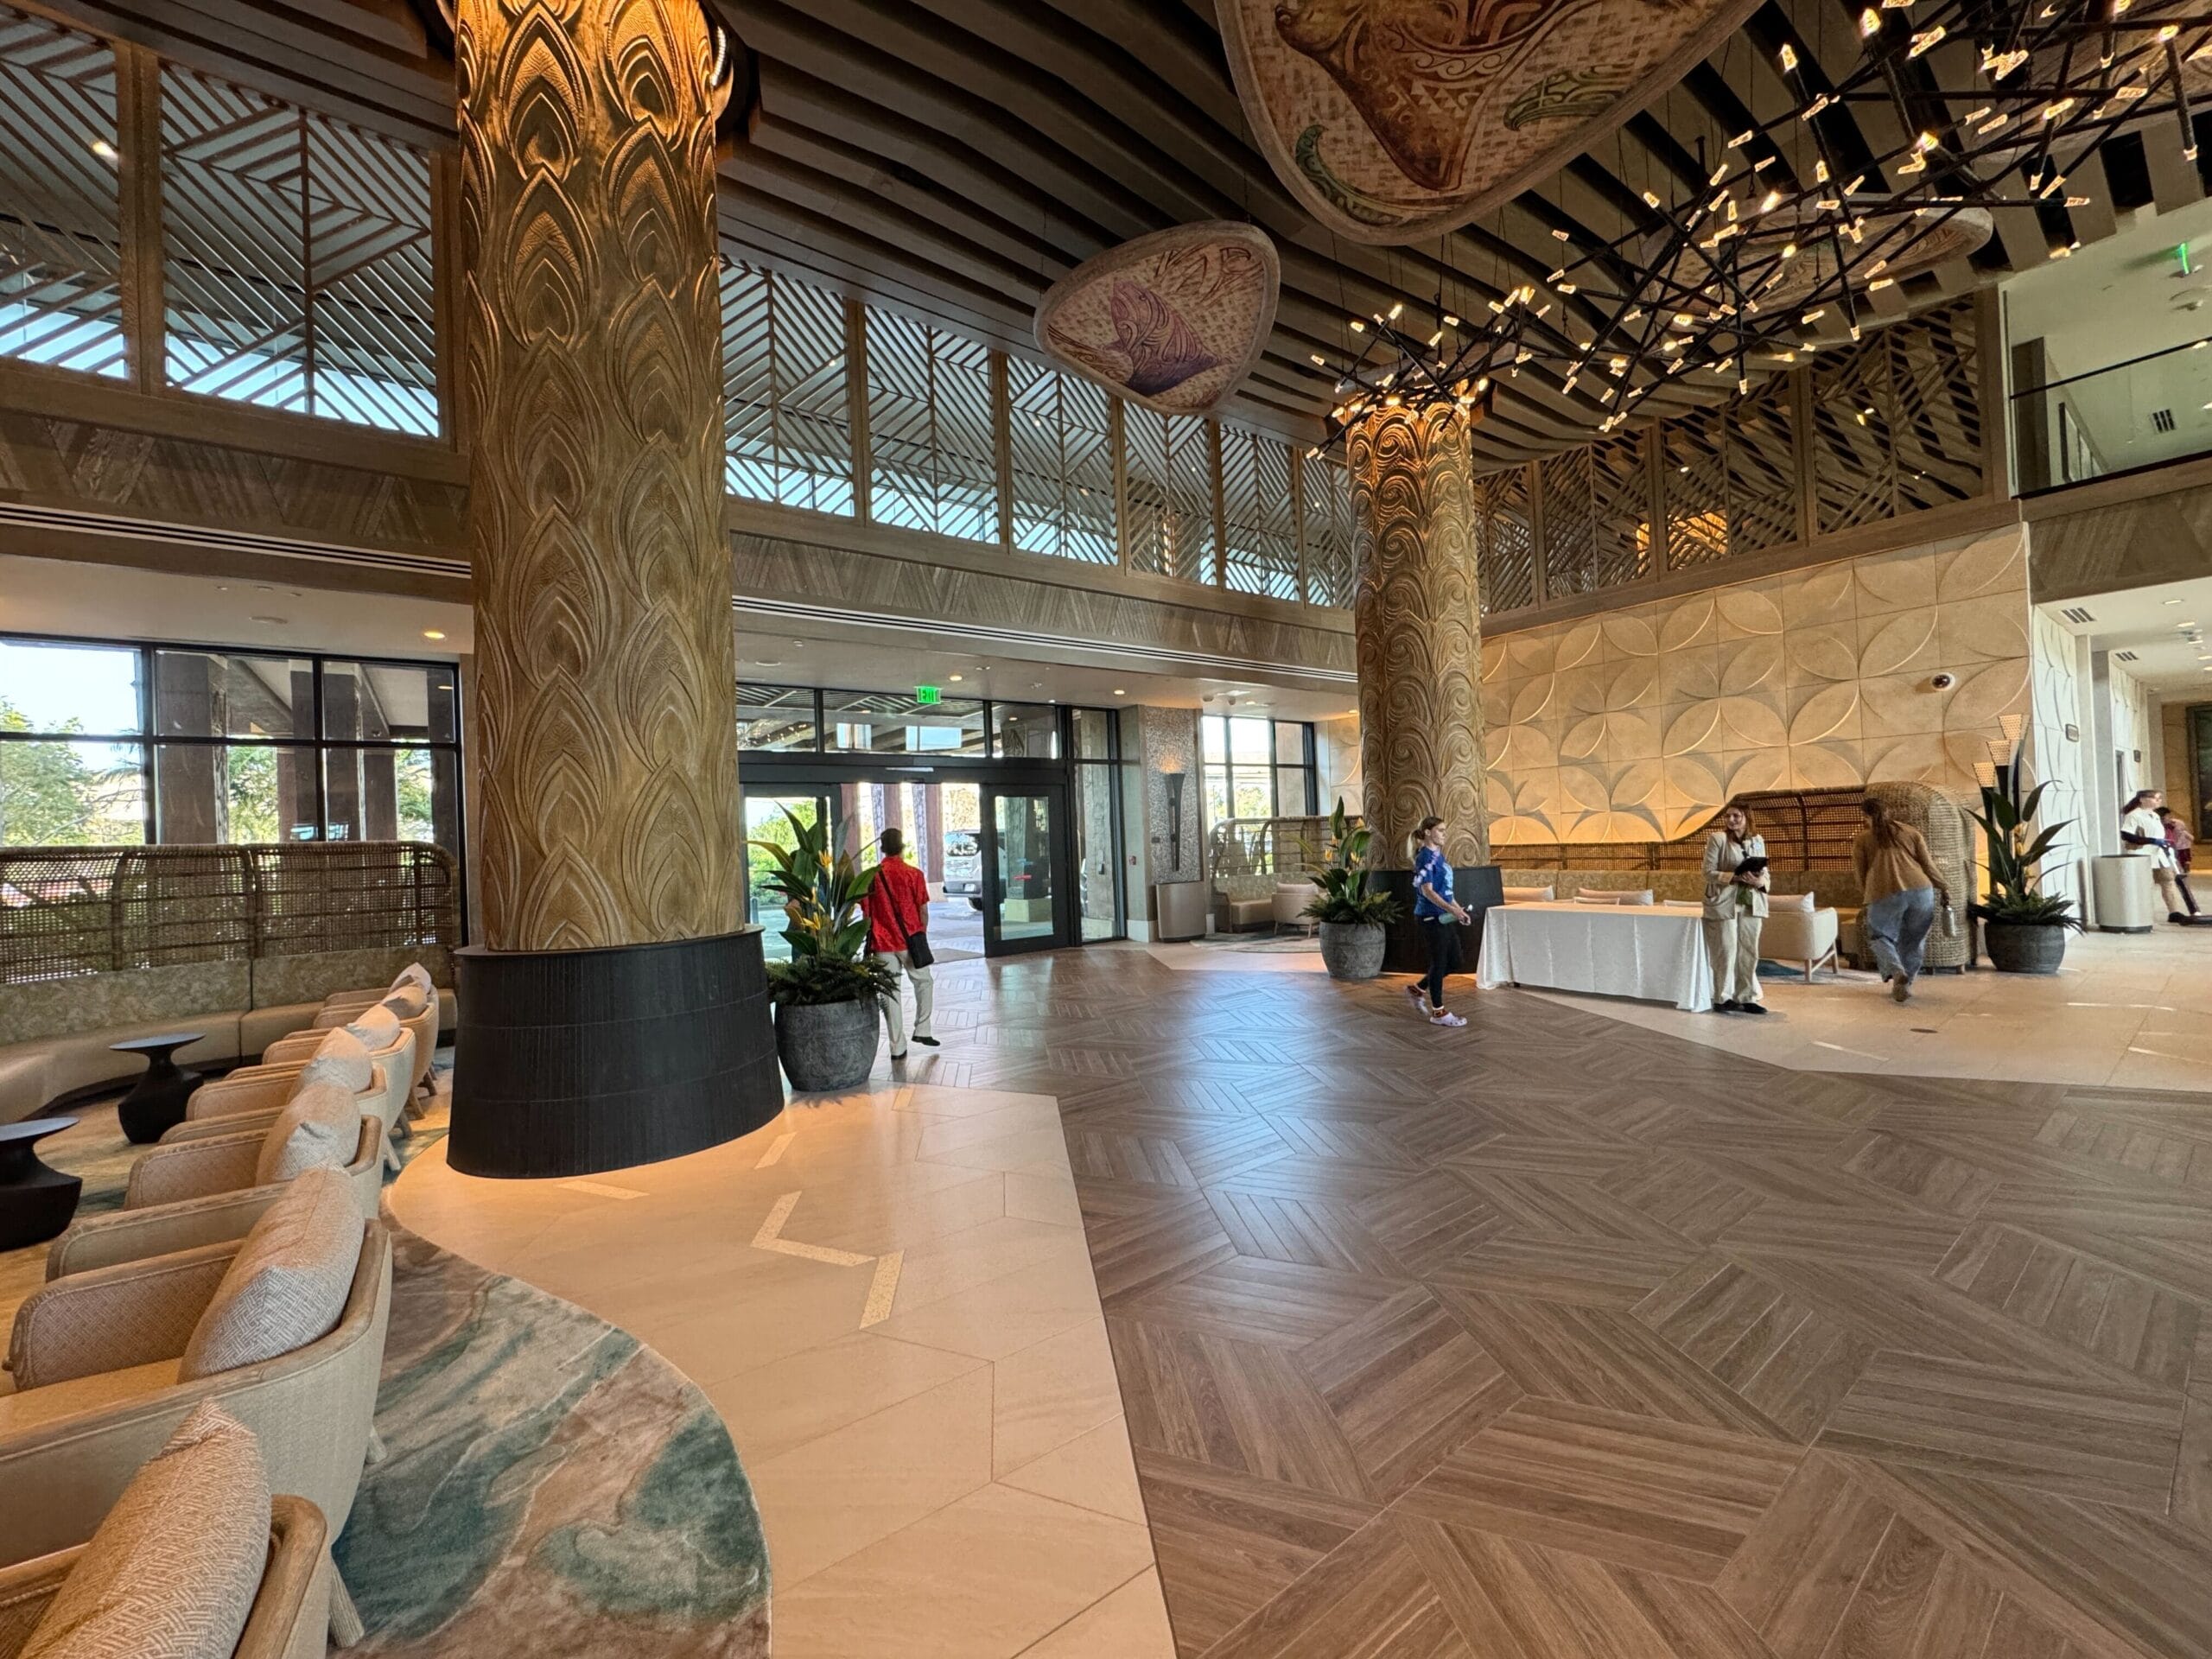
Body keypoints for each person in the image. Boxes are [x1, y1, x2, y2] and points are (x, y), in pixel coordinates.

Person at [1853, 797, 1950, 1002]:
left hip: (1884, 892)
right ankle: (1907, 982)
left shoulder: (1863, 839)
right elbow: (1928, 865)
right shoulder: (1912, 833)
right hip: (1921, 891)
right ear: (1889, 811)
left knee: (1879, 937)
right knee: (1914, 940)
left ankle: (1897, 973)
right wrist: (1943, 886)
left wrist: (1865, 897)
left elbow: (1860, 873)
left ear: (1865, 816)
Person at [861, 827, 937, 1058]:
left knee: (890, 993)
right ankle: (922, 1029)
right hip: (910, 941)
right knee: (924, 982)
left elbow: (866, 913)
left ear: (882, 848)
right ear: (902, 846)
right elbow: (922, 910)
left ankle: (897, 1047)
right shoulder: (914, 874)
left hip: (882, 943)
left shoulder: (871, 876)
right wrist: (920, 934)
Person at [1700, 800, 1770, 1014]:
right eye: (1728, 816)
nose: (1731, 820)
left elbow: (1765, 872)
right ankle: (1722, 997)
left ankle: (1746, 997)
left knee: (1749, 951)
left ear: (1746, 818)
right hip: (1725, 902)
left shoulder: (1757, 840)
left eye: (1736, 816)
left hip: (1751, 902)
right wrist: (1735, 876)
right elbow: (1707, 872)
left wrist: (1761, 882)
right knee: (1726, 951)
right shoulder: (1718, 839)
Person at [1404, 815, 1472, 1027]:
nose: (1444, 834)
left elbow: (1447, 891)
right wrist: (1452, 909)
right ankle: (1439, 1012)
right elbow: (1428, 892)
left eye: (1445, 830)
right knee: (1440, 961)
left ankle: (1418, 989)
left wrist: (1458, 909)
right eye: (1441, 830)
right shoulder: (1424, 857)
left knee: (1455, 961)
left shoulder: (1438, 856)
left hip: (1443, 917)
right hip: (1430, 917)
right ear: (1427, 832)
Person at [2122, 791, 2195, 923]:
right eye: (2156, 798)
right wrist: (2152, 841)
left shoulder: (2155, 816)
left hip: (2160, 854)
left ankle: (2174, 912)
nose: (2159, 801)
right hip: (2142, 855)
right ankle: (2142, 913)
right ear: (2143, 799)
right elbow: (2126, 835)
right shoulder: (2133, 816)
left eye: (2160, 798)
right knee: (2145, 884)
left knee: (2168, 880)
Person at [2159, 804, 2200, 916]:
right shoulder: (2159, 826)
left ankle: (2174, 912)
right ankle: (2174, 911)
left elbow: (2177, 838)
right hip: (2161, 855)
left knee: (2170, 881)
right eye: (2167, 816)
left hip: (2171, 852)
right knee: (2168, 881)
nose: (2169, 818)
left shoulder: (2173, 825)